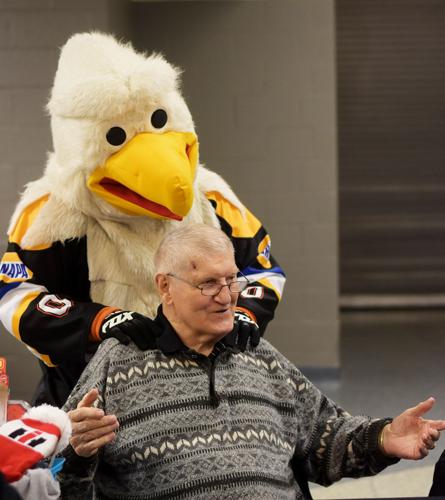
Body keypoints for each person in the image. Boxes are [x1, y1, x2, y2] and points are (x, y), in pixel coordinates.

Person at [0, 32, 285, 408]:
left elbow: (262, 269)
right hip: (88, 398)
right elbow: (16, 296)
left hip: (199, 390)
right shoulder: (51, 212)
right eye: (116, 136)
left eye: (159, 120)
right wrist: (98, 322)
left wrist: (247, 312)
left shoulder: (211, 196)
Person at [59, 224, 445, 500]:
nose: (226, 297)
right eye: (208, 283)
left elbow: (324, 439)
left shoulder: (259, 355)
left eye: (232, 280)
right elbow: (51, 476)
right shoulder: (118, 363)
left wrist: (385, 437)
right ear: (165, 287)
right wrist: (76, 452)